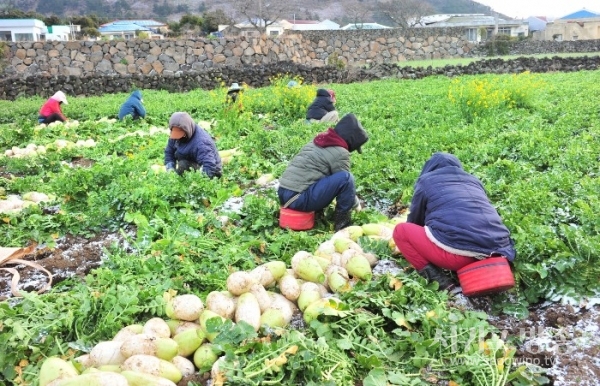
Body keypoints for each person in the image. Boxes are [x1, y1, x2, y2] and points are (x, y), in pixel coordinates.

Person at [392, 152, 517, 291]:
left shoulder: (426, 181)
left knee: (401, 232)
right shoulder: (473, 180)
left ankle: (442, 283)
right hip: (501, 251)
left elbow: (415, 221)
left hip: (459, 257)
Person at [278, 113, 368, 231]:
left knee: (326, 175)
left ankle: (316, 212)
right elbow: (346, 185)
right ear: (351, 140)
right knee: (346, 178)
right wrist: (357, 206)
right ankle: (342, 223)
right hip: (299, 199)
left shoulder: (318, 141)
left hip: (283, 192)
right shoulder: (340, 152)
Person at [164, 112, 223, 178]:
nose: (178, 137)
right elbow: (169, 151)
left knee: (183, 165)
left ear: (187, 130)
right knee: (182, 165)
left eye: (180, 135)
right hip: (191, 161)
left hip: (211, 171)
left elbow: (209, 164)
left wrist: (200, 181)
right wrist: (170, 168)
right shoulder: (175, 136)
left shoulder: (201, 142)